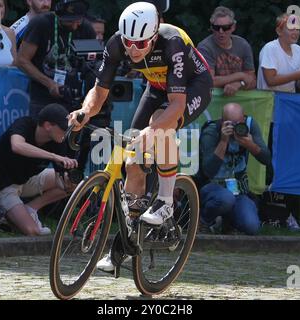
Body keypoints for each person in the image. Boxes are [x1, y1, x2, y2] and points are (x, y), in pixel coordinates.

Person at [67, 2, 212, 272]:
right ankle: (125, 243)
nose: (133, 49)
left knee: (160, 125)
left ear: (154, 36)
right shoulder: (116, 44)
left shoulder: (172, 43)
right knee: (133, 161)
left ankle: (166, 203)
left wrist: (154, 130)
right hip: (156, 87)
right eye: (129, 42)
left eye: (141, 44)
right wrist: (84, 113)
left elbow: (177, 106)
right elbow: (99, 93)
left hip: (193, 87)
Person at [0, 104, 78, 236]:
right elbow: (17, 146)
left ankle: (31, 208)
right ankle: (0, 209)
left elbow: (58, 179)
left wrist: (68, 182)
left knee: (76, 184)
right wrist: (54, 156)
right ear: (48, 125)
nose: (66, 132)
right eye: (63, 128)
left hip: (26, 181)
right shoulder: (24, 124)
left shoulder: (58, 140)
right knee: (33, 231)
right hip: (1, 186)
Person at [198, 103, 271, 235]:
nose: (236, 127)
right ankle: (203, 221)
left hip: (238, 190)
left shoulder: (249, 126)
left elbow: (266, 159)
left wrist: (251, 145)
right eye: (231, 123)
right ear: (223, 121)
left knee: (251, 226)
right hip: (212, 188)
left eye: (239, 122)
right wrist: (223, 141)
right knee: (226, 199)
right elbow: (209, 170)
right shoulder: (211, 131)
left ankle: (228, 223)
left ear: (243, 119)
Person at [17, 0, 96, 118]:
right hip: (43, 97)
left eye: (78, 20)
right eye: (70, 21)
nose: (75, 26)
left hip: (75, 98)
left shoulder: (86, 29)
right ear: (59, 16)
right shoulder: (41, 23)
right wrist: (49, 84)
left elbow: (92, 63)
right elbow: (22, 60)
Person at [197, 6, 256, 97]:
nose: (221, 31)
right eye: (216, 27)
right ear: (211, 28)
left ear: (233, 27)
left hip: (240, 98)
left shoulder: (243, 45)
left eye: (226, 27)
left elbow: (252, 80)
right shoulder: (205, 48)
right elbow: (209, 81)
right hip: (212, 99)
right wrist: (240, 76)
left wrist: (239, 84)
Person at [257, 13, 300, 93]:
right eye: (291, 29)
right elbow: (270, 81)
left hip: (288, 101)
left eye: (297, 29)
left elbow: (299, 85)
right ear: (279, 31)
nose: (296, 32)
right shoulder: (270, 48)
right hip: (267, 100)